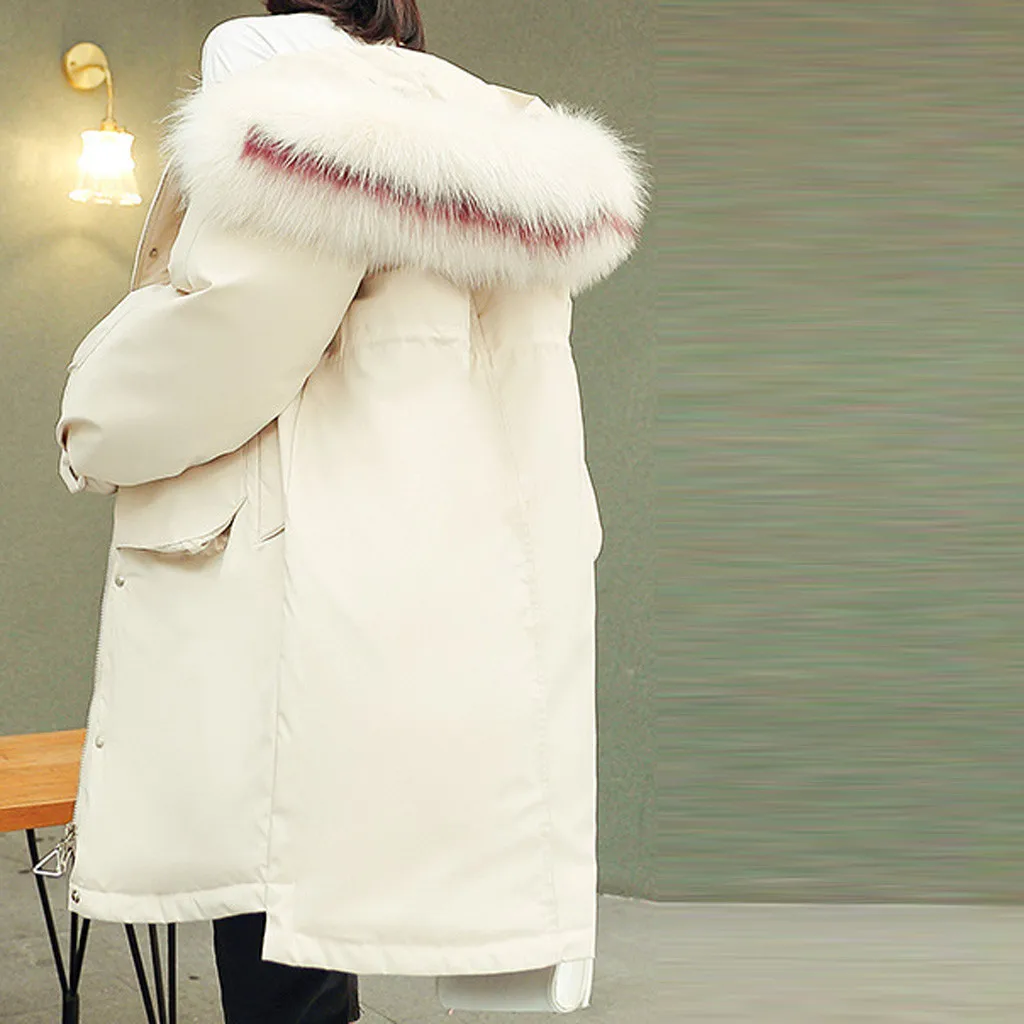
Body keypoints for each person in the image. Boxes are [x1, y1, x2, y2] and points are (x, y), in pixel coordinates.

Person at [54, 1, 648, 1021]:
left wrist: (90, 414)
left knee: (278, 902)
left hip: (297, 580)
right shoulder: (488, 139)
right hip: (433, 573)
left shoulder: (302, 128)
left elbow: (225, 347)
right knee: (319, 910)